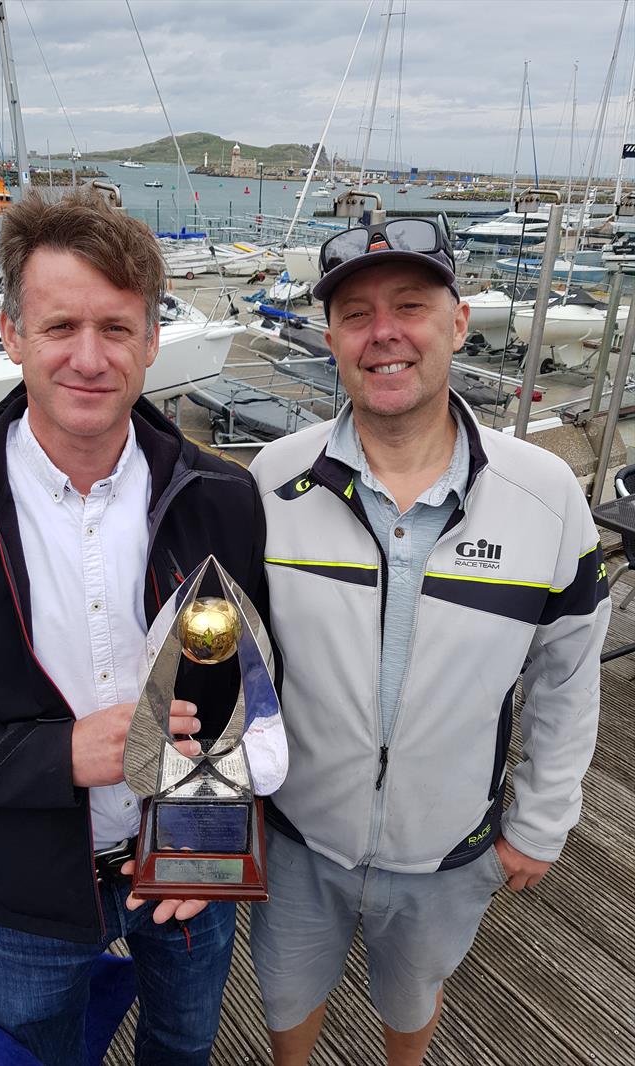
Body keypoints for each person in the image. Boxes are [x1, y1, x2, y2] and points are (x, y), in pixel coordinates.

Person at [0, 188, 271, 1066]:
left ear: (152, 341)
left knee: (184, 1047)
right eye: (59, 326)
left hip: (187, 865)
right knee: (33, 1055)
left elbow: (250, 685)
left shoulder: (224, 496)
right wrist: (60, 755)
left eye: (116, 329)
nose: (88, 357)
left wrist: (209, 838)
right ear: (11, 335)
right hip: (27, 886)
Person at [248, 216, 610, 1066]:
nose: (384, 334)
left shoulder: (547, 493)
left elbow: (567, 677)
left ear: (456, 322)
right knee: (285, 993)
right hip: (297, 834)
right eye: (356, 314)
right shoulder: (273, 480)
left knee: (413, 994)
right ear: (331, 337)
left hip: (451, 847)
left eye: (410, 305)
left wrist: (543, 820)